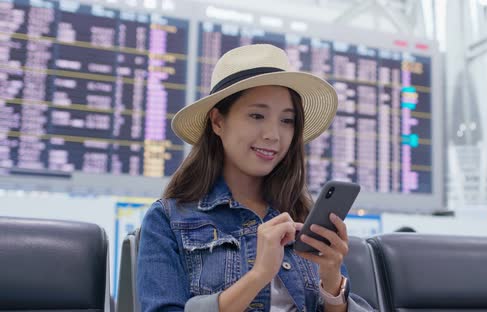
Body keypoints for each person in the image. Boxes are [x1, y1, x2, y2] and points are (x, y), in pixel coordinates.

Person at [137, 44, 373, 312]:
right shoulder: (169, 219)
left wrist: (333, 285)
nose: (273, 134)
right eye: (257, 115)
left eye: (287, 120)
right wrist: (259, 274)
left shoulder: (304, 217)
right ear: (217, 122)